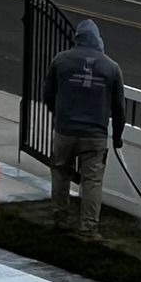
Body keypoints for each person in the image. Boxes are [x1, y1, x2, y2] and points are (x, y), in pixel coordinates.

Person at [43, 18, 126, 235]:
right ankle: (89, 227)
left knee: (61, 172)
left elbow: (48, 95)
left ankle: (60, 219)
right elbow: (119, 109)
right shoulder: (111, 67)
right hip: (95, 135)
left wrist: (58, 116)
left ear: (77, 39)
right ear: (98, 40)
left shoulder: (60, 61)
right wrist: (117, 137)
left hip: (65, 131)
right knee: (92, 181)